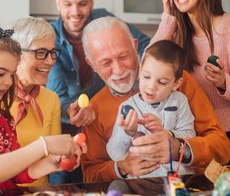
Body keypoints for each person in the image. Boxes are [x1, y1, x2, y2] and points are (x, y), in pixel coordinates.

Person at [81, 16, 230, 182]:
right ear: (91, 64)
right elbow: (90, 174)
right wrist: (122, 167)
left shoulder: (178, 82)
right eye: (106, 62)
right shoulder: (93, 110)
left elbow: (222, 146)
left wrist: (180, 149)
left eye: (124, 56)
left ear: (135, 46)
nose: (119, 69)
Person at [46, 0, 151, 184]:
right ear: (58, 3)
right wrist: (69, 110)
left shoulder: (105, 20)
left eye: (82, 4)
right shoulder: (51, 38)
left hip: (103, 120)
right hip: (69, 125)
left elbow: (147, 45)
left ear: (92, 3)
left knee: (104, 175)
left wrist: (145, 79)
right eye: (68, 4)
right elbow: (58, 93)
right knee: (64, 180)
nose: (75, 12)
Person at [0, 23, 85, 192]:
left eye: (11, 74)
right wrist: (44, 145)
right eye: (1, 73)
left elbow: (16, 173)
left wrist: (51, 163)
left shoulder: (1, 116)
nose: (8, 82)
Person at [150, 0, 230, 137]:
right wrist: (168, 18)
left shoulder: (228, 27)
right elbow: (148, 67)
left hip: (226, 133)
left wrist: (223, 82)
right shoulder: (178, 34)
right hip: (193, 134)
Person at [107, 40, 195, 177]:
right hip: (141, 179)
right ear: (140, 70)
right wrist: (127, 132)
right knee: (117, 186)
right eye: (147, 76)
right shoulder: (127, 107)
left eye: (162, 82)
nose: (151, 86)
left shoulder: (179, 100)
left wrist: (166, 133)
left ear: (176, 84)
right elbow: (114, 154)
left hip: (177, 178)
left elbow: (190, 136)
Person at [10, 17, 61, 186]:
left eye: (53, 52)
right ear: (16, 54)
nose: (50, 60)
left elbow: (55, 159)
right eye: (41, 52)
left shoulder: (51, 99)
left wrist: (68, 155)